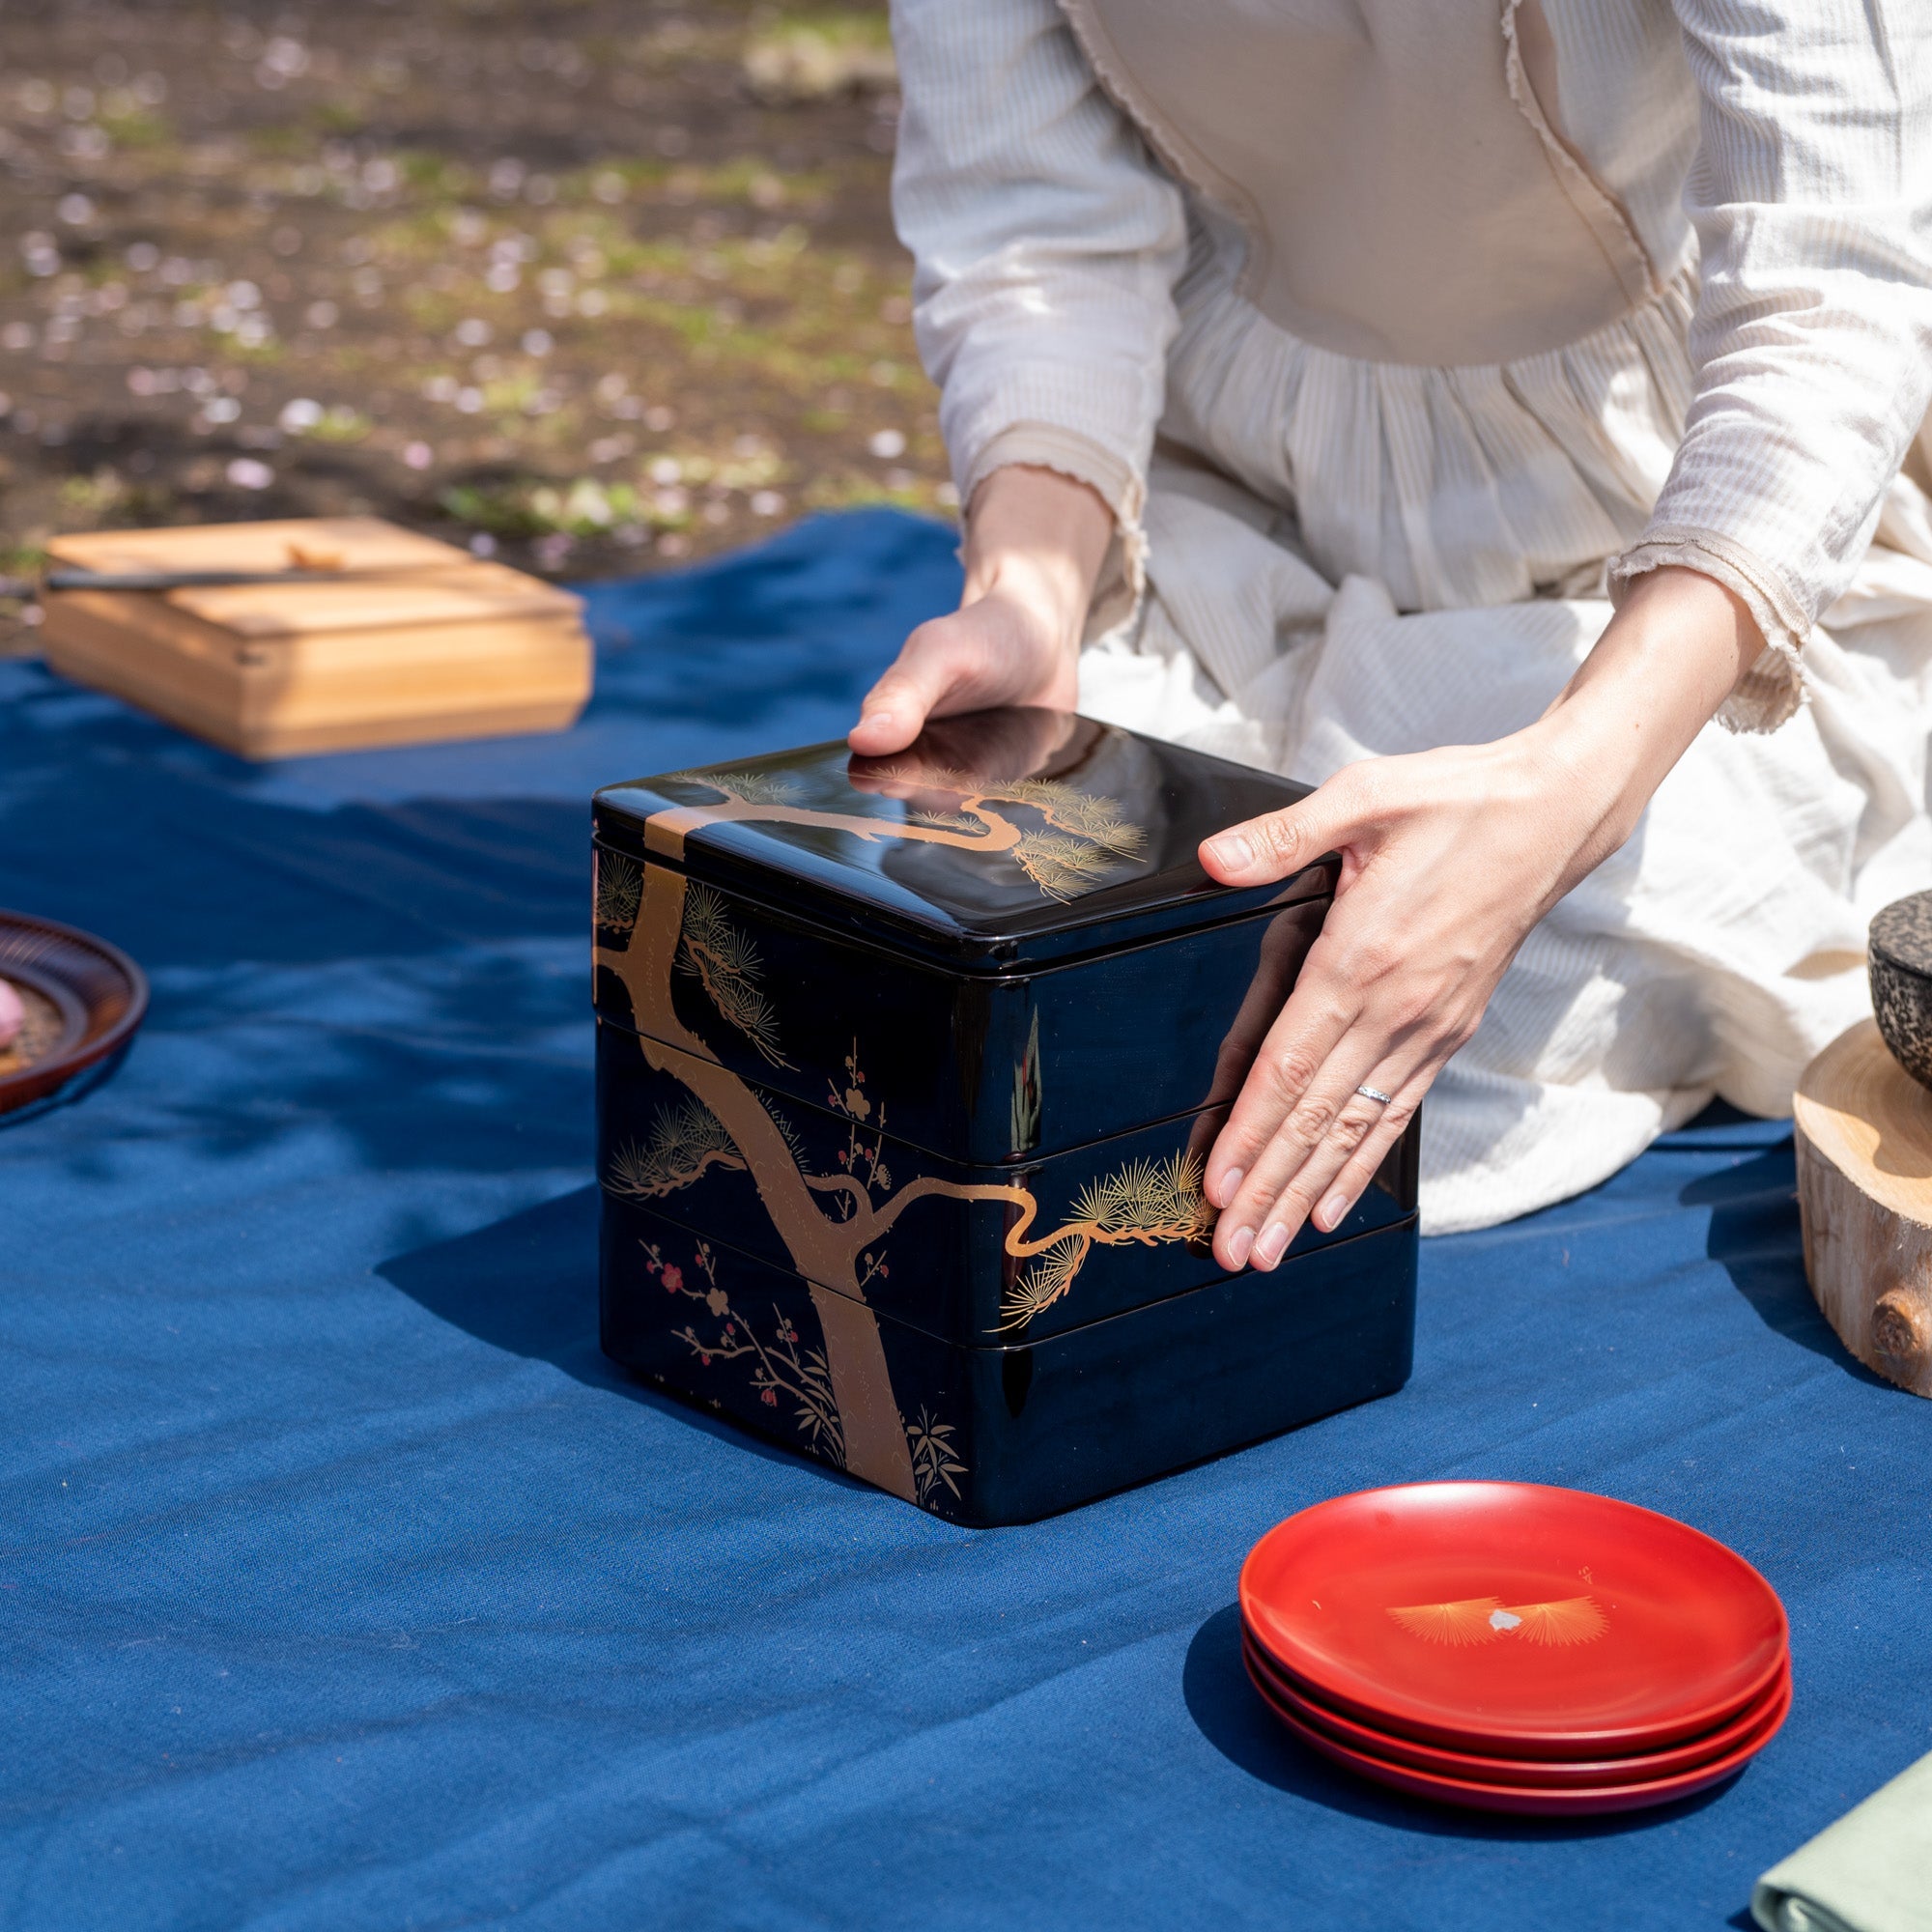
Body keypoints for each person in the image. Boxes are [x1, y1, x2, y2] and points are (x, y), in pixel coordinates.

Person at [849, 0, 1932, 1269]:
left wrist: (1566, 788)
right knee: (1096, 978)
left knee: (1429, 1043)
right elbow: (1034, 233)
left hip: (1676, 592)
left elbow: (1831, 295)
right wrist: (1031, 593)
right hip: (1242, 524)